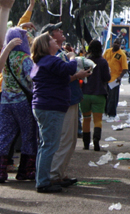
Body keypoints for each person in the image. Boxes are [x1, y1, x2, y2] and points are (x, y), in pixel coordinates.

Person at [30, 33, 90, 193]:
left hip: (44, 106)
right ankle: (43, 182)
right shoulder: (51, 60)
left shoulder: (42, 62)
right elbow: (68, 69)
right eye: (51, 40)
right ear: (46, 45)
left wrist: (75, 74)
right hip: (51, 107)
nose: (55, 41)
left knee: (45, 145)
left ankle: (43, 178)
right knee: (50, 145)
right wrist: (72, 57)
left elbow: (60, 78)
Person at [45, 23, 84, 188]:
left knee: (71, 139)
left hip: (71, 98)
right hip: (63, 101)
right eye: (58, 30)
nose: (62, 32)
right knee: (64, 139)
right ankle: (54, 174)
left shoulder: (61, 53)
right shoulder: (54, 56)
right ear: (51, 37)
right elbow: (62, 77)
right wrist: (77, 75)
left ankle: (60, 173)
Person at [0, 29, 36, 184]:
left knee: (4, 135)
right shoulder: (25, 59)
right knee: (28, 134)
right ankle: (25, 170)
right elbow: (32, 79)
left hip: (5, 100)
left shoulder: (6, 56)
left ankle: (1, 171)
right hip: (22, 101)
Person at [81, 40, 110, 151]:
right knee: (98, 120)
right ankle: (96, 141)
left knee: (86, 119)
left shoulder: (85, 61)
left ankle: (86, 143)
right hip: (99, 94)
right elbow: (107, 78)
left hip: (85, 94)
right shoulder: (103, 62)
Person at [103, 40, 128, 118]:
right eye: (115, 43)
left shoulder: (121, 55)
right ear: (112, 43)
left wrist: (120, 77)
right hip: (106, 78)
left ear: (120, 45)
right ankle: (105, 111)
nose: (116, 44)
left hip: (115, 80)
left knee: (113, 97)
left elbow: (125, 68)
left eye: (118, 43)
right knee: (105, 96)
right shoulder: (107, 51)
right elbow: (103, 62)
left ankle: (112, 113)